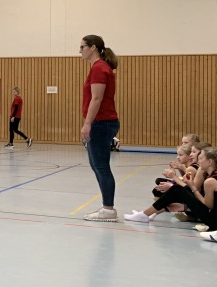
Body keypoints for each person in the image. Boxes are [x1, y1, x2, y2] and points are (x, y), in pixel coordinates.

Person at [79, 34, 121, 222]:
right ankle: (107, 207)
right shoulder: (99, 67)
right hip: (102, 122)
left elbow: (96, 99)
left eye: (82, 47)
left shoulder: (99, 68)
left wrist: (88, 123)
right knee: (97, 166)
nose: (80, 51)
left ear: (93, 47)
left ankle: (108, 209)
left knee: (102, 167)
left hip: (101, 122)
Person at [125, 146, 216, 230]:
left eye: (201, 159)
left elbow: (209, 206)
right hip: (211, 214)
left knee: (177, 189)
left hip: (212, 219)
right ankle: (146, 214)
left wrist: (192, 187)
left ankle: (144, 215)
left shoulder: (210, 181)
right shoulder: (211, 175)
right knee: (176, 189)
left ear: (210, 162)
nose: (198, 161)